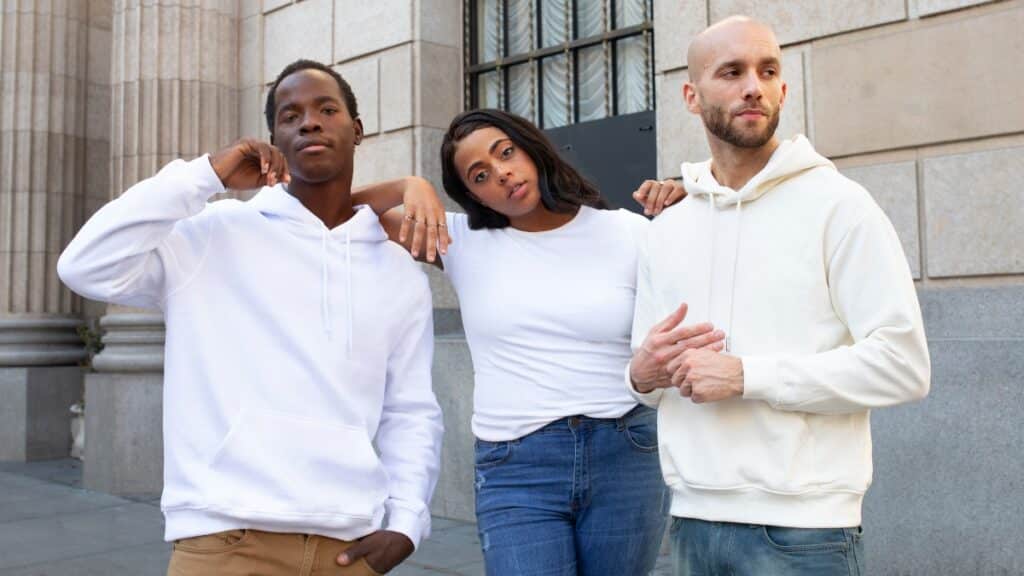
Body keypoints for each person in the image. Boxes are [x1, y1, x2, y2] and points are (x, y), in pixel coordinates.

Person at [57, 59, 443, 576]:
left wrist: (407, 521)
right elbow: (84, 265)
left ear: (356, 129)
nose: (309, 122)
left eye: (326, 109)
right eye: (290, 115)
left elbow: (411, 409)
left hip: (349, 547)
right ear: (274, 139)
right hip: (226, 542)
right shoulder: (214, 234)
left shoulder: (398, 270)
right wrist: (205, 175)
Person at [353, 108, 725, 576]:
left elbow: (714, 274)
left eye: (505, 152)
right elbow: (333, 211)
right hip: (517, 464)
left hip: (626, 453)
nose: (502, 174)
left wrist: (688, 200)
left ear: (531, 147)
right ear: (472, 194)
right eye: (480, 175)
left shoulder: (627, 232)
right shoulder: (461, 241)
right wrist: (410, 187)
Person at [627, 16, 931, 576]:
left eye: (768, 71)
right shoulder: (666, 227)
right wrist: (640, 376)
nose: (753, 86)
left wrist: (746, 375)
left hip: (805, 533)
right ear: (691, 96)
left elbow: (903, 366)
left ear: (783, 90)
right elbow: (650, 386)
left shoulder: (840, 206)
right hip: (692, 524)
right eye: (732, 71)